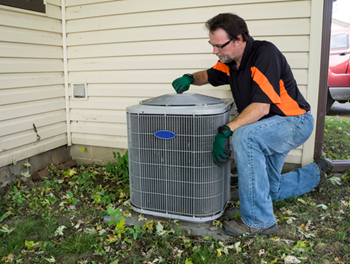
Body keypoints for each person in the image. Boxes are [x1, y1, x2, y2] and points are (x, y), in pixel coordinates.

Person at [171, 13, 328, 237]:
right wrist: (189, 77)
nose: (215, 51)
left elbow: (262, 107)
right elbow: (208, 75)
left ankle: (259, 221)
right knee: (271, 189)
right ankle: (315, 174)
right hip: (268, 127)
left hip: (293, 122)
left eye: (219, 46)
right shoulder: (231, 62)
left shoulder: (264, 54)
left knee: (244, 136)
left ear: (238, 39)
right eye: (212, 45)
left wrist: (226, 131)